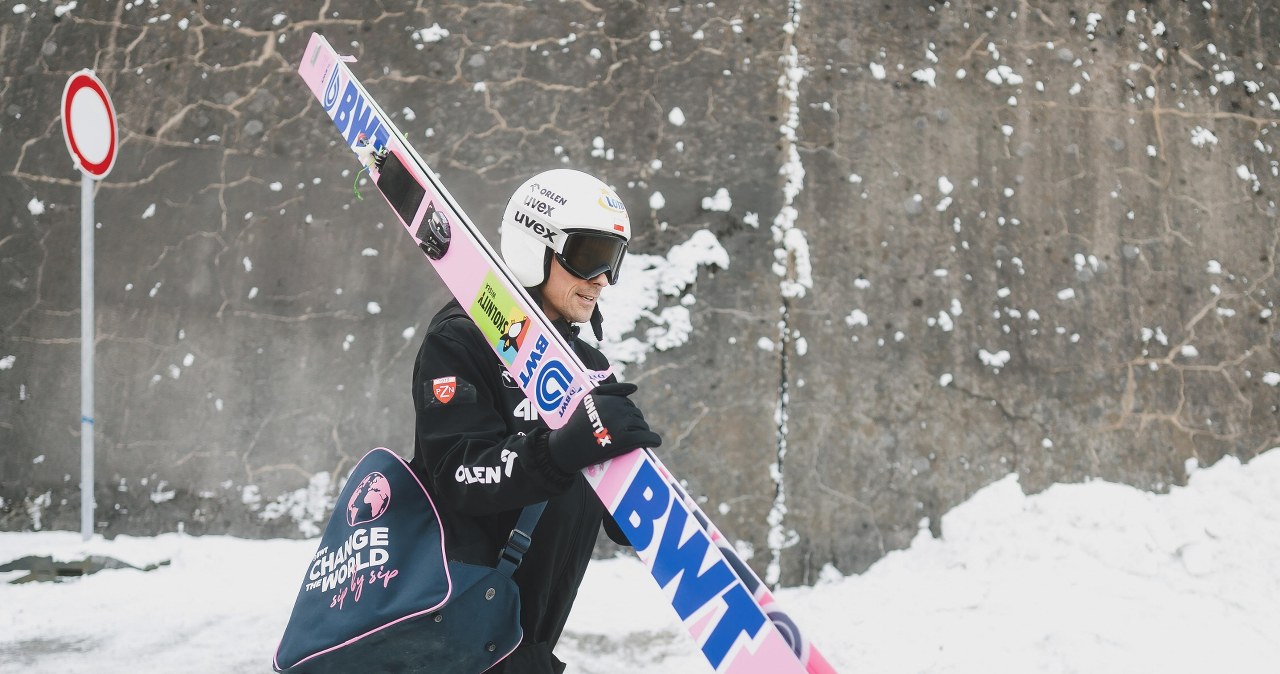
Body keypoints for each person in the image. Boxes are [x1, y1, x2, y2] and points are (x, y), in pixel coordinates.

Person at [409, 168, 663, 674]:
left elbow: (579, 486)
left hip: (528, 641)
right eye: (589, 256)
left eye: (613, 260)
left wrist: (625, 496)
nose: (602, 279)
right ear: (535, 246)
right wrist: (563, 450)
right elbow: (459, 472)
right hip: (457, 629)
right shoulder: (461, 340)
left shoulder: (587, 367)